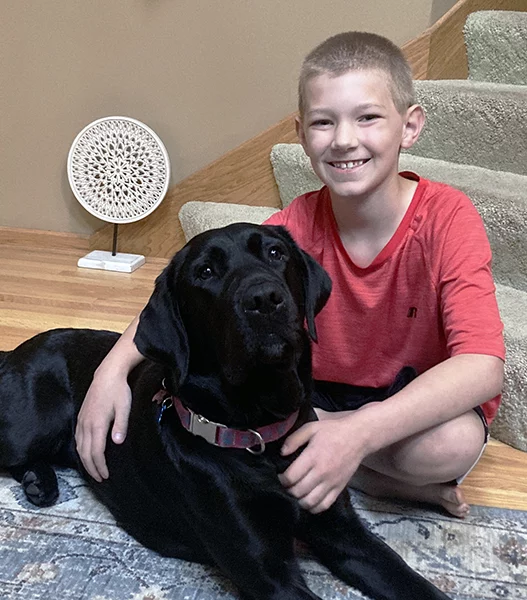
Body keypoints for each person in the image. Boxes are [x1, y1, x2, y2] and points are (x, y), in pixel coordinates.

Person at [76, 31, 504, 519]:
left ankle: (348, 463)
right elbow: (182, 295)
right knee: (256, 408)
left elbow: (483, 365)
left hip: (406, 397)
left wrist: (358, 432)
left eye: (368, 117)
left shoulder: (450, 217)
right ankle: (360, 473)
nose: (345, 139)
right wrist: (108, 372)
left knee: (452, 445)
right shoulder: (288, 230)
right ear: (301, 135)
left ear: (409, 127)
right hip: (315, 394)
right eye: (324, 122)